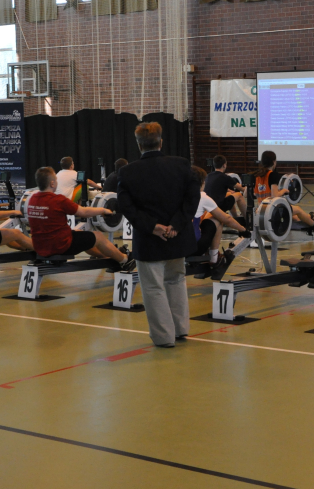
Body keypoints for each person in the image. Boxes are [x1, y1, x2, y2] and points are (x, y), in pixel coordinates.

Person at [116, 122, 200, 348]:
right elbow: (192, 198)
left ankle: (164, 337)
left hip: (149, 239)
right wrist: (175, 225)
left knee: (153, 287)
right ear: (161, 142)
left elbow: (126, 207)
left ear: (139, 145)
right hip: (177, 237)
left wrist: (153, 227)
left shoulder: (128, 172)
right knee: (176, 280)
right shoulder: (181, 165)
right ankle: (180, 329)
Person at [25, 166, 134, 268]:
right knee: (98, 236)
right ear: (52, 183)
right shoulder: (58, 200)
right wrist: (103, 210)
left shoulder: (32, 200)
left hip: (40, 246)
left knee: (82, 235)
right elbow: (84, 212)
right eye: (56, 180)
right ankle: (125, 260)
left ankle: (109, 257)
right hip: (60, 246)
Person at [252, 150, 314, 234]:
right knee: (298, 209)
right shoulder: (272, 175)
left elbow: (249, 193)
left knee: (294, 216)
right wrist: (283, 191)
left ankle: (309, 218)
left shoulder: (257, 176)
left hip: (261, 210)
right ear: (274, 162)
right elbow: (274, 195)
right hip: (272, 210)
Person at [191, 166, 248, 267]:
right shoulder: (202, 196)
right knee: (218, 219)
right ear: (202, 182)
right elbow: (227, 219)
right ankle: (214, 258)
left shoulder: (179, 195)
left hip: (179, 247)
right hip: (194, 248)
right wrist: (243, 230)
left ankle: (208, 252)